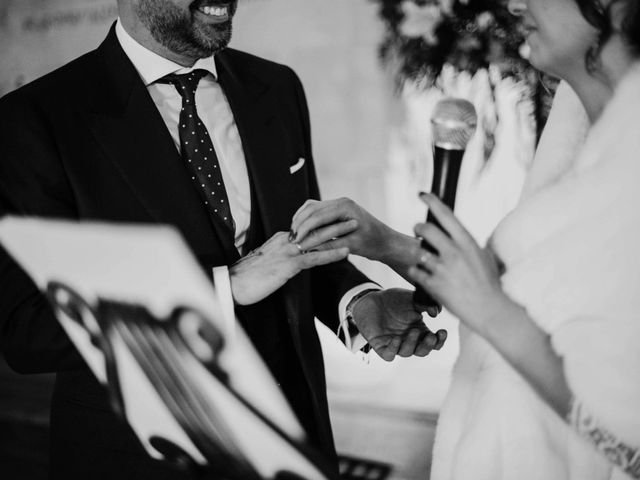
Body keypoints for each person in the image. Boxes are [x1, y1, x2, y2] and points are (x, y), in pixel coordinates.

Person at [0, 1, 444, 478]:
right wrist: (220, 289)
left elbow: (294, 244)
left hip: (295, 441)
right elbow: (26, 330)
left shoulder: (276, 87)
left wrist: (358, 303)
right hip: (141, 459)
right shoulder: (34, 119)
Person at [292, 0, 640, 478]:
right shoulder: (577, 128)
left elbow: (629, 447)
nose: (517, 4)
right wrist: (386, 244)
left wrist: (490, 313)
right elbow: (534, 288)